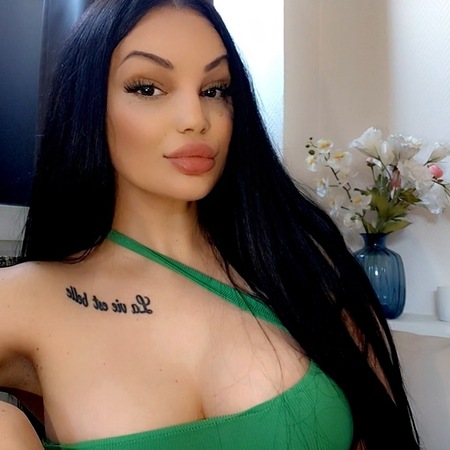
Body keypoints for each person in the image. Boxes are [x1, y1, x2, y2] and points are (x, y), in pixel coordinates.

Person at [0, 0, 421, 448]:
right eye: (147, 88)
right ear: (87, 104)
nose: (195, 119)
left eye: (215, 90)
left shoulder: (302, 267)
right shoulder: (28, 298)